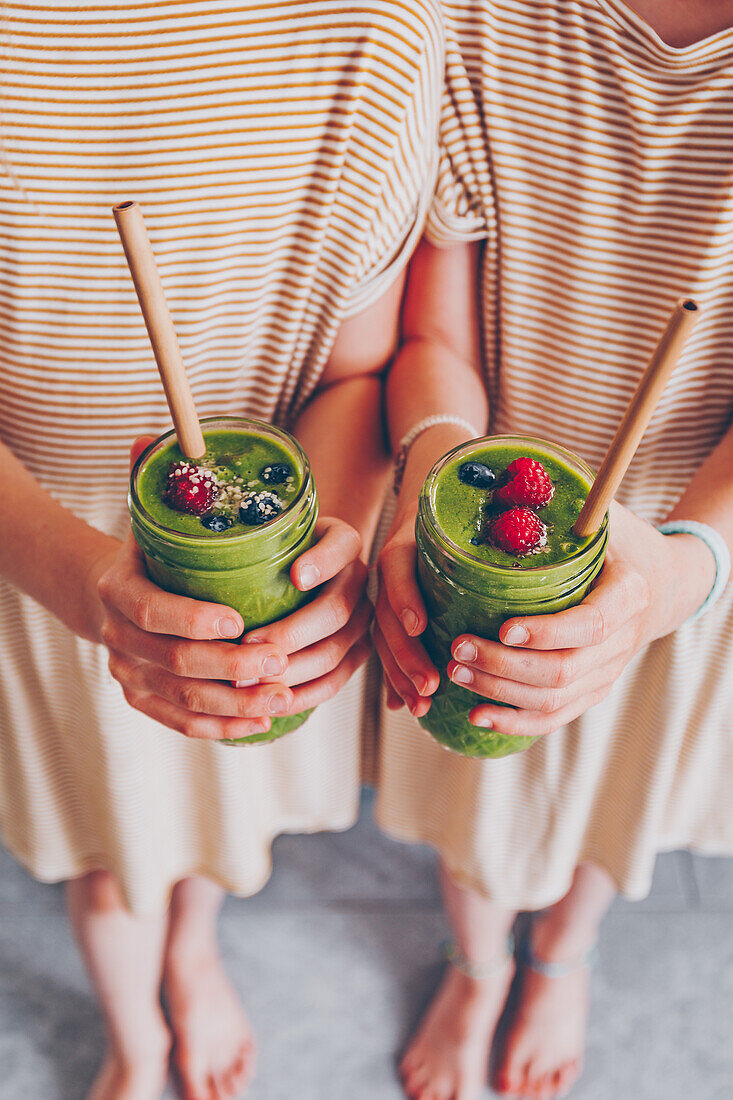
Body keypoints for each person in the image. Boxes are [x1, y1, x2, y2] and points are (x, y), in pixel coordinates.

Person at [0, 3, 443, 1098]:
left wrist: (310, 554)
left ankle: (191, 949)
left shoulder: (379, 34)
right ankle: (133, 1037)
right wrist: (77, 577)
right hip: (38, 555)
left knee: (208, 818)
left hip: (249, 570)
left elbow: (353, 372)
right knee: (106, 853)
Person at [374, 3, 733, 1098]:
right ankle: (475, 956)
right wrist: (434, 485)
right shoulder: (472, 21)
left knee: (629, 764)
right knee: (471, 765)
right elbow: (434, 338)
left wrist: (677, 572)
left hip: (698, 525)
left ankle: (562, 948)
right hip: (487, 517)